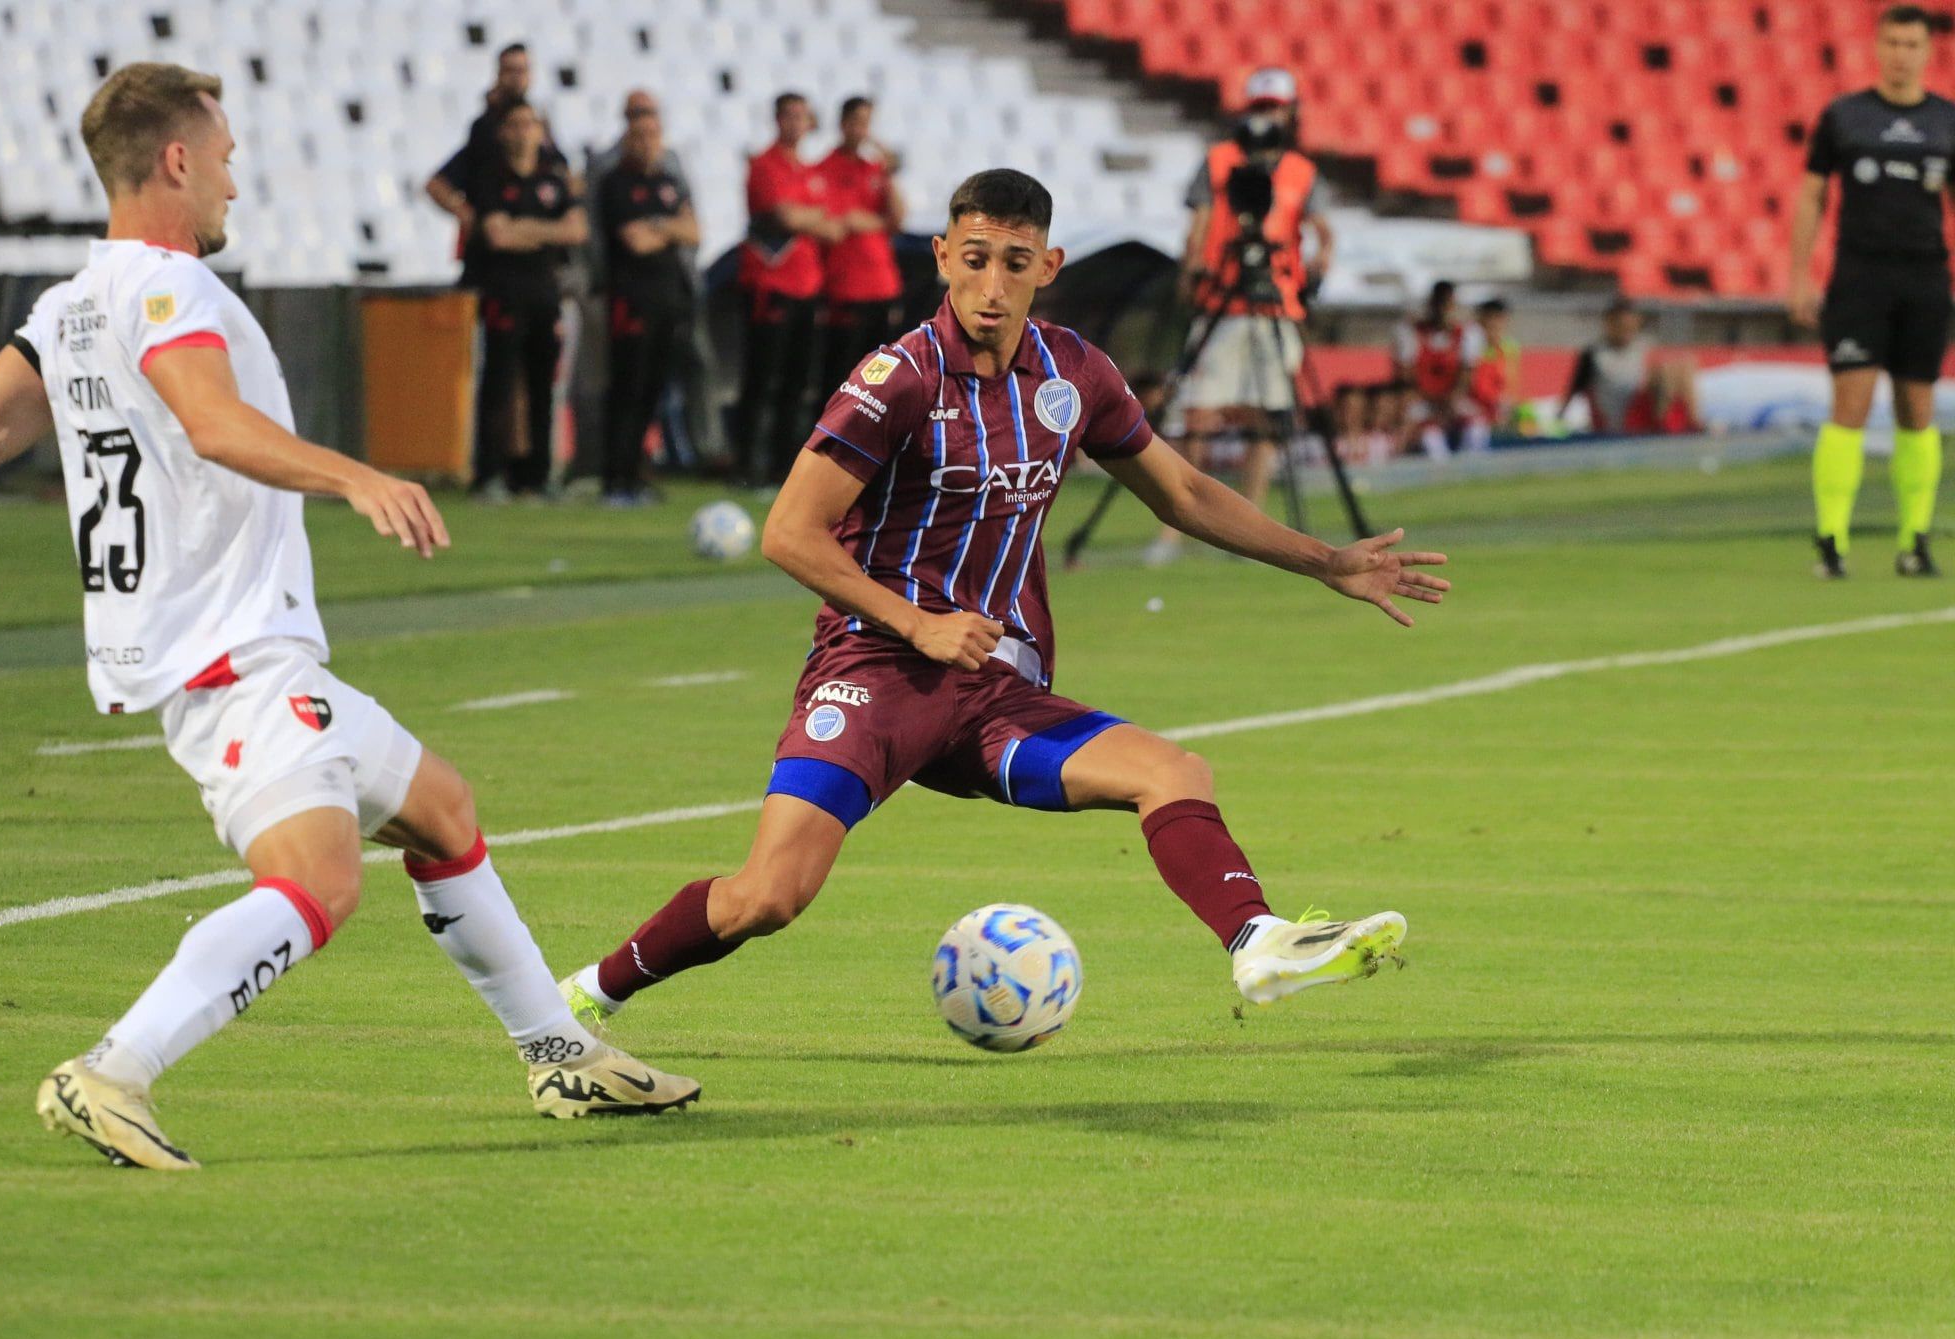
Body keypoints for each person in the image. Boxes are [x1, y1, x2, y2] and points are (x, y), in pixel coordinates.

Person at [0, 63, 697, 1169]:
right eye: (221, 158)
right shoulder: (170, 291)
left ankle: (556, 1049)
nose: (233, 181)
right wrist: (356, 476)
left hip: (211, 650)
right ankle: (112, 1070)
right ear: (174, 160)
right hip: (232, 656)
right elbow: (212, 425)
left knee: (443, 811)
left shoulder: (67, 310)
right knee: (319, 881)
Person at [553, 169, 1449, 1049]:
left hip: (991, 689)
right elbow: (789, 532)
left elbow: (1181, 492)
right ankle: (583, 996)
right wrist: (918, 623)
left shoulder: (1074, 373)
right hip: (877, 674)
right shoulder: (895, 378)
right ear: (942, 255)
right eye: (974, 257)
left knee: (1174, 771)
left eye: (1014, 262)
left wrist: (1325, 559)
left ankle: (1259, 946)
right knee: (769, 897)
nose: (992, 284)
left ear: (1048, 266)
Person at [1790, 2, 1951, 579]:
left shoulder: (1946, 121)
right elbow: (1811, 195)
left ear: (1928, 52)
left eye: (1911, 45)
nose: (1901, 55)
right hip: (1860, 278)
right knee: (1850, 404)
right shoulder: (1844, 117)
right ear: (1877, 48)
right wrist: (1798, 274)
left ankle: (1915, 541)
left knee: (1917, 407)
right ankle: (1831, 540)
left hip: (1925, 277)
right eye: (1892, 44)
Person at [1149, 68, 1334, 564]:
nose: (1265, 116)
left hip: (1275, 302)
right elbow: (1200, 224)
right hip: (1223, 300)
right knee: (1196, 415)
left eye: (1273, 107)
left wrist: (1316, 270)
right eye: (1258, 107)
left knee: (1269, 419)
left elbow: (1320, 231)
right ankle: (1175, 530)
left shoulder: (1302, 171)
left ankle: (1251, 531)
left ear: (1291, 111)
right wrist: (1194, 269)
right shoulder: (1217, 162)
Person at [467, 98, 586, 500]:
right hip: (503, 293)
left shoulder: (554, 179)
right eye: (514, 124)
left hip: (544, 294)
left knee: (542, 387)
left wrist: (524, 229)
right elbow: (497, 235)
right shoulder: (490, 178)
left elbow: (577, 231)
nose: (522, 132)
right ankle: (489, 473)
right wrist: (547, 230)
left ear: (540, 131)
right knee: (498, 385)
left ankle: (535, 476)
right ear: (503, 132)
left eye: (529, 124)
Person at [734, 93, 841, 490]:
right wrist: (809, 218)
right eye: (789, 116)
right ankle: (746, 466)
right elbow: (784, 214)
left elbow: (830, 225)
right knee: (762, 378)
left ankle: (782, 466)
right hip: (771, 285)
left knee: (797, 382)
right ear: (777, 119)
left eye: (802, 116)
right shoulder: (765, 165)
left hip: (808, 287)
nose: (796, 123)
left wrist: (805, 218)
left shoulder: (810, 171)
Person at [597, 107, 699, 503]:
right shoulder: (616, 183)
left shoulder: (670, 181)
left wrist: (658, 227)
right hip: (631, 301)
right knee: (627, 388)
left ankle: (636, 474)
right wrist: (670, 227)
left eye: (653, 135)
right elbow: (634, 241)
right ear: (627, 139)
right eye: (638, 135)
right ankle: (614, 478)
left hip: (668, 299)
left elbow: (694, 231)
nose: (646, 143)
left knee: (653, 390)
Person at [423, 42, 564, 273]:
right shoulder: (485, 130)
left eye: (523, 70)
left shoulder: (539, 126)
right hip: (494, 256)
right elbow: (440, 184)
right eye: (511, 70)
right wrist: (470, 217)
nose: (518, 78)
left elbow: (561, 174)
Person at [815, 96, 906, 407]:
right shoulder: (824, 169)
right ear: (842, 124)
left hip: (882, 286)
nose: (862, 130)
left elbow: (896, 218)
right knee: (842, 374)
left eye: (867, 123)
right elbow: (843, 222)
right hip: (846, 288)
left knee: (879, 374)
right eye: (856, 122)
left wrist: (888, 171)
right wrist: (874, 222)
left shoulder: (875, 170)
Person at [1391, 280, 1484, 457]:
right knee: (1428, 433)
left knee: (1476, 425)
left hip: (1451, 399)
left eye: (1447, 304)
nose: (1443, 309)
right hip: (1421, 399)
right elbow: (1405, 377)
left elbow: (1467, 376)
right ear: (1430, 304)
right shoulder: (1410, 333)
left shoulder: (1468, 335)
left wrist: (1450, 400)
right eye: (1439, 303)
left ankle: (1474, 467)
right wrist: (1432, 401)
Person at [1559, 297, 1651, 438]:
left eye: (1631, 327)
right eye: (1621, 326)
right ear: (1609, 323)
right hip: (1607, 433)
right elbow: (1574, 389)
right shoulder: (1594, 355)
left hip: (1638, 431)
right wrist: (1559, 419)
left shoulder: (1642, 351)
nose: (1626, 332)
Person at [1467, 298, 1520, 437]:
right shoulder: (1470, 348)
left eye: (1498, 319)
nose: (1494, 324)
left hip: (1499, 410)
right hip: (1474, 410)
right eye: (1489, 318)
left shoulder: (1509, 348)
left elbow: (1510, 386)